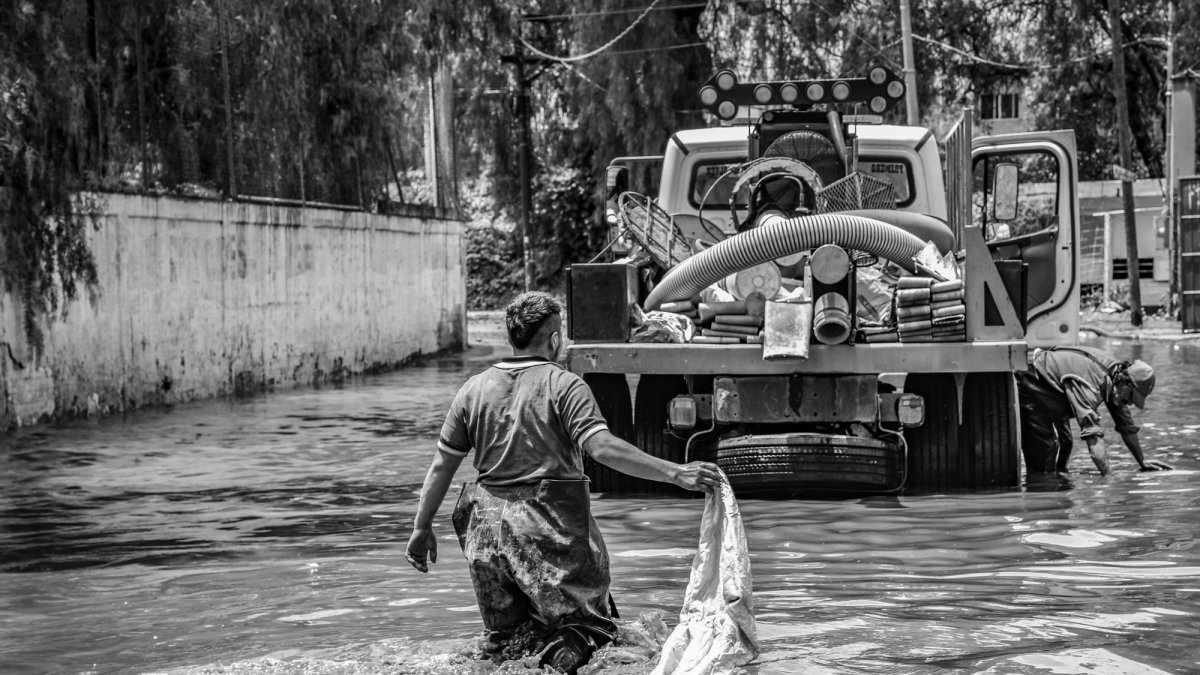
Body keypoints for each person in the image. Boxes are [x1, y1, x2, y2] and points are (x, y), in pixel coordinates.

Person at [405, 291, 722, 673]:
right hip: (547, 529)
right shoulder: (564, 385)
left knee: (508, 643)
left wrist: (421, 527)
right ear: (555, 338)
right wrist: (676, 472)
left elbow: (442, 466)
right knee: (588, 634)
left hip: (485, 534)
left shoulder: (473, 389)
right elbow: (602, 447)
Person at [1015, 345, 1172, 477]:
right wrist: (1109, 478)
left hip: (1055, 388)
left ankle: (1059, 477)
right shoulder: (1091, 385)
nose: (1130, 403)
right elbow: (1093, 437)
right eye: (1132, 397)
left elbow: (1127, 426)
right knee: (1047, 449)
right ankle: (1041, 488)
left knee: (1066, 443)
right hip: (1030, 383)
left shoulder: (1116, 376)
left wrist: (1142, 461)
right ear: (1127, 384)